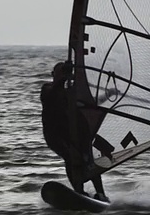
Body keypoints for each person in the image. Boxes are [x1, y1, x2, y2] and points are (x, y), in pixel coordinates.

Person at [41, 61, 109, 202]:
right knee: (70, 158)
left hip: (75, 133)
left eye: (63, 72)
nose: (60, 75)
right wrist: (65, 76)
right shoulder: (47, 89)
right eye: (58, 72)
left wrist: (108, 95)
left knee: (88, 160)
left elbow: (91, 103)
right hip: (55, 135)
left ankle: (101, 194)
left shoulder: (71, 93)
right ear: (53, 75)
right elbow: (53, 92)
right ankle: (79, 191)